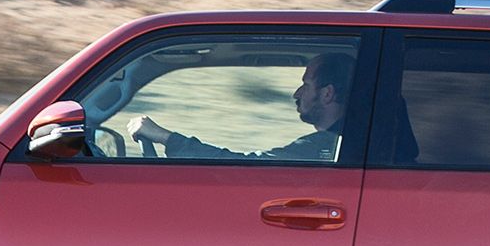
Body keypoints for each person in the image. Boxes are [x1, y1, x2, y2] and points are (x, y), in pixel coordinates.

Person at [124, 48, 353, 162]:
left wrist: (166, 137)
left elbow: (246, 166)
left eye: (306, 85)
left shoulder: (323, 147)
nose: (296, 93)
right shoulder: (341, 143)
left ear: (327, 94)